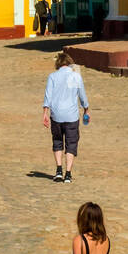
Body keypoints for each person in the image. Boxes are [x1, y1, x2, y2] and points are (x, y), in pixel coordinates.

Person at [42, 50, 88, 183]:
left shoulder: (52, 76)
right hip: (71, 115)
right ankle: (68, 174)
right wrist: (86, 109)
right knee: (71, 143)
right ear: (69, 63)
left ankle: (58, 171)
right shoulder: (76, 77)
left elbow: (47, 96)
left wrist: (45, 113)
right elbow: (82, 96)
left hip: (56, 114)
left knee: (57, 141)